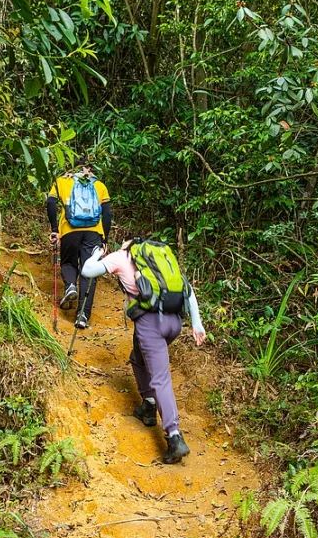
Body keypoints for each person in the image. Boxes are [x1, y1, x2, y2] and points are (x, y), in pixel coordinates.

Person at [81, 239, 206, 464]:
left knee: (160, 378)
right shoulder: (161, 261)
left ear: (126, 245)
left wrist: (96, 254)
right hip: (174, 323)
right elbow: (187, 290)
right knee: (138, 358)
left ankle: (174, 437)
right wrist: (196, 323)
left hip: (151, 325)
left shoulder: (120, 257)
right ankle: (148, 406)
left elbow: (87, 271)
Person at [46, 160, 111, 329]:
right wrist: (105, 239)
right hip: (94, 233)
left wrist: (54, 229)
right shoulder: (99, 185)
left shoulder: (62, 181)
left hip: (69, 230)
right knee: (89, 272)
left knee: (68, 262)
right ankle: (82, 315)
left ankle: (70, 286)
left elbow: (51, 203)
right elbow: (107, 213)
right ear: (89, 169)